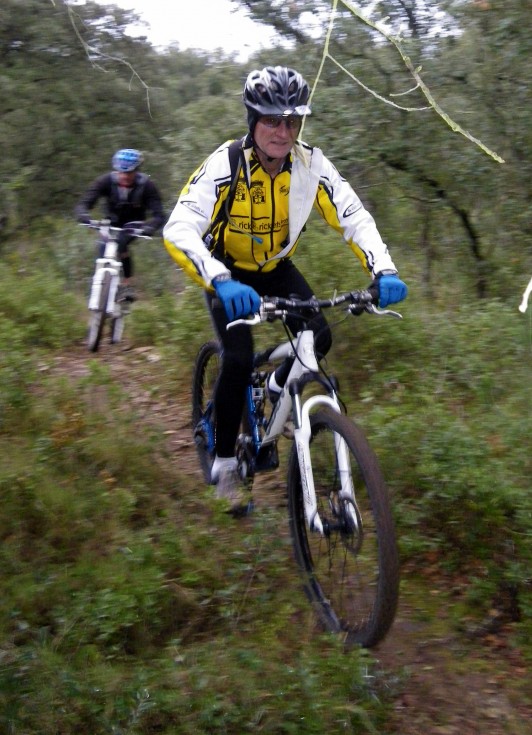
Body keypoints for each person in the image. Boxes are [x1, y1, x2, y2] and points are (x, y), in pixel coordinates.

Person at [163, 65, 408, 504]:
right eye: (272, 120)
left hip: (275, 267)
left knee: (320, 336)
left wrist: (383, 269)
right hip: (226, 270)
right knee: (237, 357)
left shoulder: (311, 165)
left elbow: (352, 216)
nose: (283, 130)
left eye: (292, 120)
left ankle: (274, 387)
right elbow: (179, 227)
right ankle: (222, 464)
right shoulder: (227, 163)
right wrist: (219, 280)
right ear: (253, 121)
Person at [75, 148, 165, 300]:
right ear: (115, 170)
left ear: (136, 171)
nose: (124, 176)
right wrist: (84, 215)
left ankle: (127, 284)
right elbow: (84, 203)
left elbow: (159, 214)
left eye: (129, 172)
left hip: (134, 224)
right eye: (121, 172)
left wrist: (150, 227)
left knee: (121, 242)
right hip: (111, 221)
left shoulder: (147, 186)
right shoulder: (105, 181)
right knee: (103, 246)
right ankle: (99, 283)